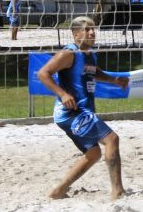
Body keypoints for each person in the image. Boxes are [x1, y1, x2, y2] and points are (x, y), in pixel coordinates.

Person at [37, 16, 129, 200]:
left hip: (80, 111)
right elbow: (43, 73)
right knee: (112, 139)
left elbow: (94, 72)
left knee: (93, 153)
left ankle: (59, 190)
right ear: (76, 34)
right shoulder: (68, 54)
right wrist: (62, 94)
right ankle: (117, 191)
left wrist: (114, 80)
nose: (92, 33)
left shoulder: (89, 54)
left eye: (93, 29)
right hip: (71, 112)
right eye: (87, 30)